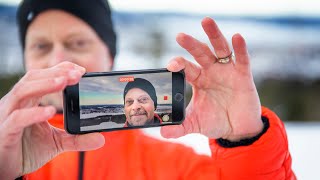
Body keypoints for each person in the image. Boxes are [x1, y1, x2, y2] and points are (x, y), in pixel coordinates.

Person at [0, 0, 296, 179]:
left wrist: (245, 141)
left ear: (111, 57)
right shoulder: (5, 156)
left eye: (78, 43)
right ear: (25, 59)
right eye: (41, 46)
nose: (57, 58)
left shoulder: (175, 168)